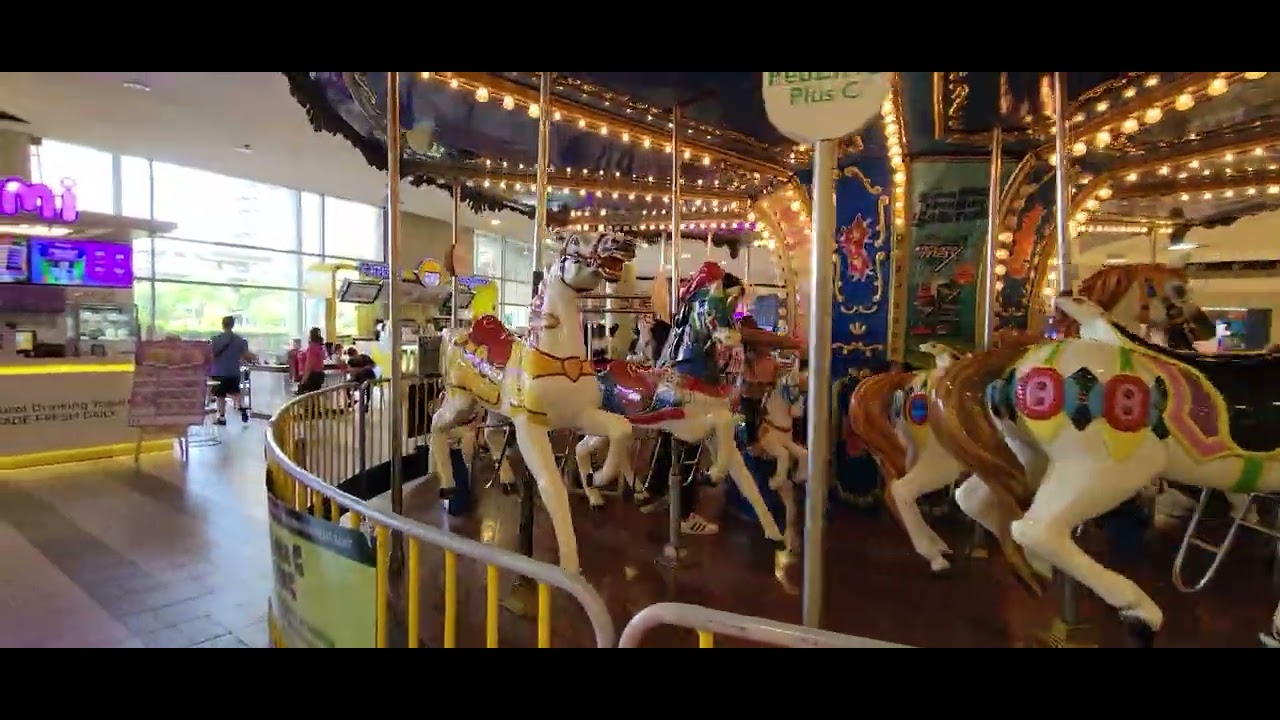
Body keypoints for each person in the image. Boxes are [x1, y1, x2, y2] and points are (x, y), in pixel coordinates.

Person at [210, 316, 256, 425]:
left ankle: (221, 417)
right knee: (235, 392)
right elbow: (246, 355)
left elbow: (210, 355)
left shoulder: (215, 339)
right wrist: (253, 359)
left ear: (222, 324)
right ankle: (241, 407)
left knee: (220, 395)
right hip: (234, 371)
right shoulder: (240, 340)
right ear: (233, 325)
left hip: (219, 371)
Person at [297, 327, 328, 394]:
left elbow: (309, 365)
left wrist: (303, 380)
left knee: (308, 396)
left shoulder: (312, 348)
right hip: (320, 375)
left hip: (312, 376)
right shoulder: (321, 347)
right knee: (316, 396)